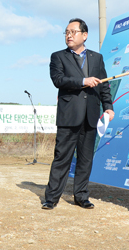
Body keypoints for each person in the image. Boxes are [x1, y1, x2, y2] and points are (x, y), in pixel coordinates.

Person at [41, 18, 114, 210]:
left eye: (73, 32)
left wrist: (108, 106)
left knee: (85, 159)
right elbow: (58, 80)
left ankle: (81, 196)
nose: (69, 35)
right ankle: (51, 198)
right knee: (61, 157)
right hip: (69, 115)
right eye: (66, 32)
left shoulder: (96, 58)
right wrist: (83, 81)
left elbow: (104, 84)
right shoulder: (58, 57)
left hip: (90, 115)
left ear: (85, 35)